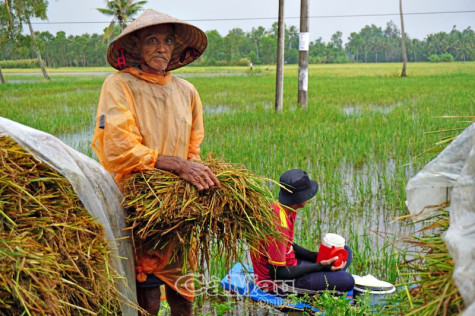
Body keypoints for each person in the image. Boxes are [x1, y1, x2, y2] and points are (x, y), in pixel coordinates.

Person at [91, 9, 220, 316]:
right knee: (146, 296)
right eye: (152, 40)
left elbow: (193, 147)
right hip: (138, 204)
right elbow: (119, 147)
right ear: (137, 47)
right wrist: (174, 164)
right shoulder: (119, 84)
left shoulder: (187, 91)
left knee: (184, 296)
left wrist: (193, 179)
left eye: (168, 40)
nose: (161, 47)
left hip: (177, 206)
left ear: (175, 48)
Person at [251, 169, 354, 297]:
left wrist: (315, 257)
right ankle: (330, 276)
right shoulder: (278, 225)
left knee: (345, 251)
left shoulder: (284, 208)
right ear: (299, 198)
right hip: (278, 283)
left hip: (291, 264)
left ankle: (331, 273)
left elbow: (289, 245)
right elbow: (277, 274)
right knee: (348, 281)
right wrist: (319, 266)